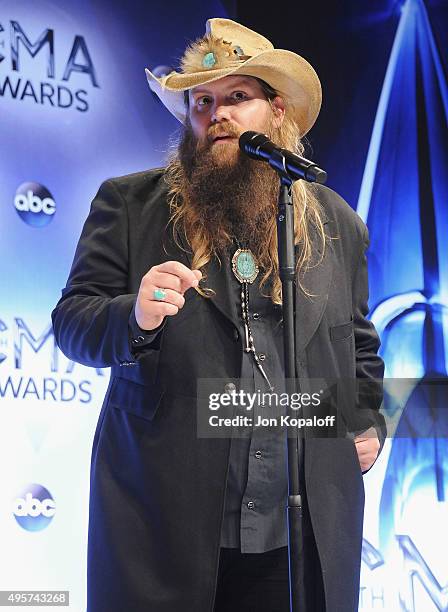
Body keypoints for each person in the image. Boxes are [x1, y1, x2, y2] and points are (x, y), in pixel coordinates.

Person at [52, 17, 385, 612]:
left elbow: (357, 344)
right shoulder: (130, 204)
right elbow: (74, 321)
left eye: (237, 98)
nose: (217, 115)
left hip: (295, 535)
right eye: (202, 101)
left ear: (276, 111)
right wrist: (135, 316)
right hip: (165, 525)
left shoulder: (336, 223)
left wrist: (366, 421)